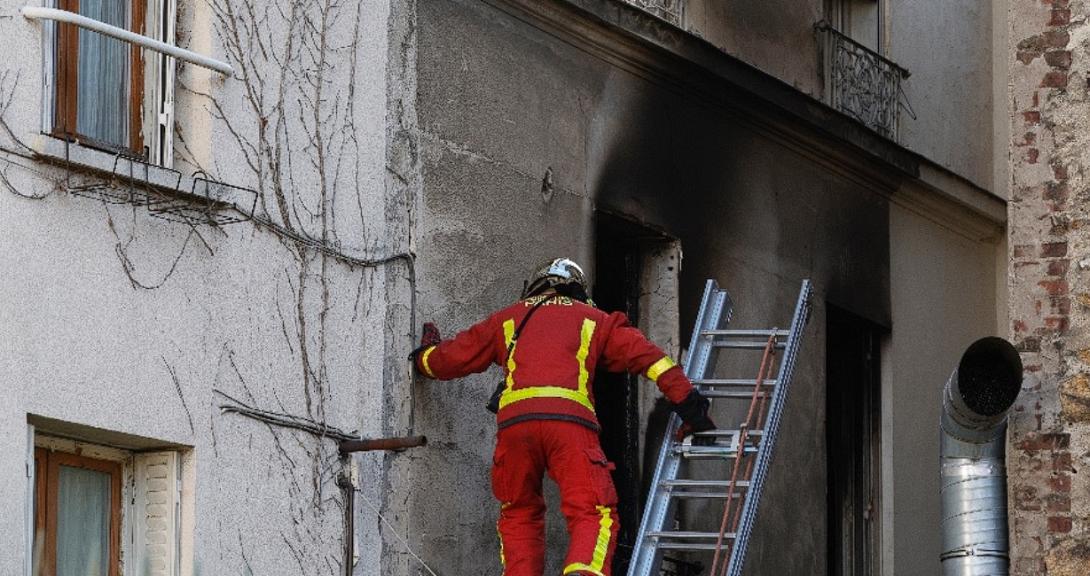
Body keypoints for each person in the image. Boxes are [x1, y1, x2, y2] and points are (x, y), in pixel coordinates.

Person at [410, 257, 715, 576]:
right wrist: (691, 407)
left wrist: (424, 358)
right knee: (593, 512)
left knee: (519, 513)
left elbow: (452, 358)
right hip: (570, 425)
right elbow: (651, 360)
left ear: (535, 284)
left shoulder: (508, 319)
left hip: (515, 429)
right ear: (578, 289)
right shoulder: (596, 320)